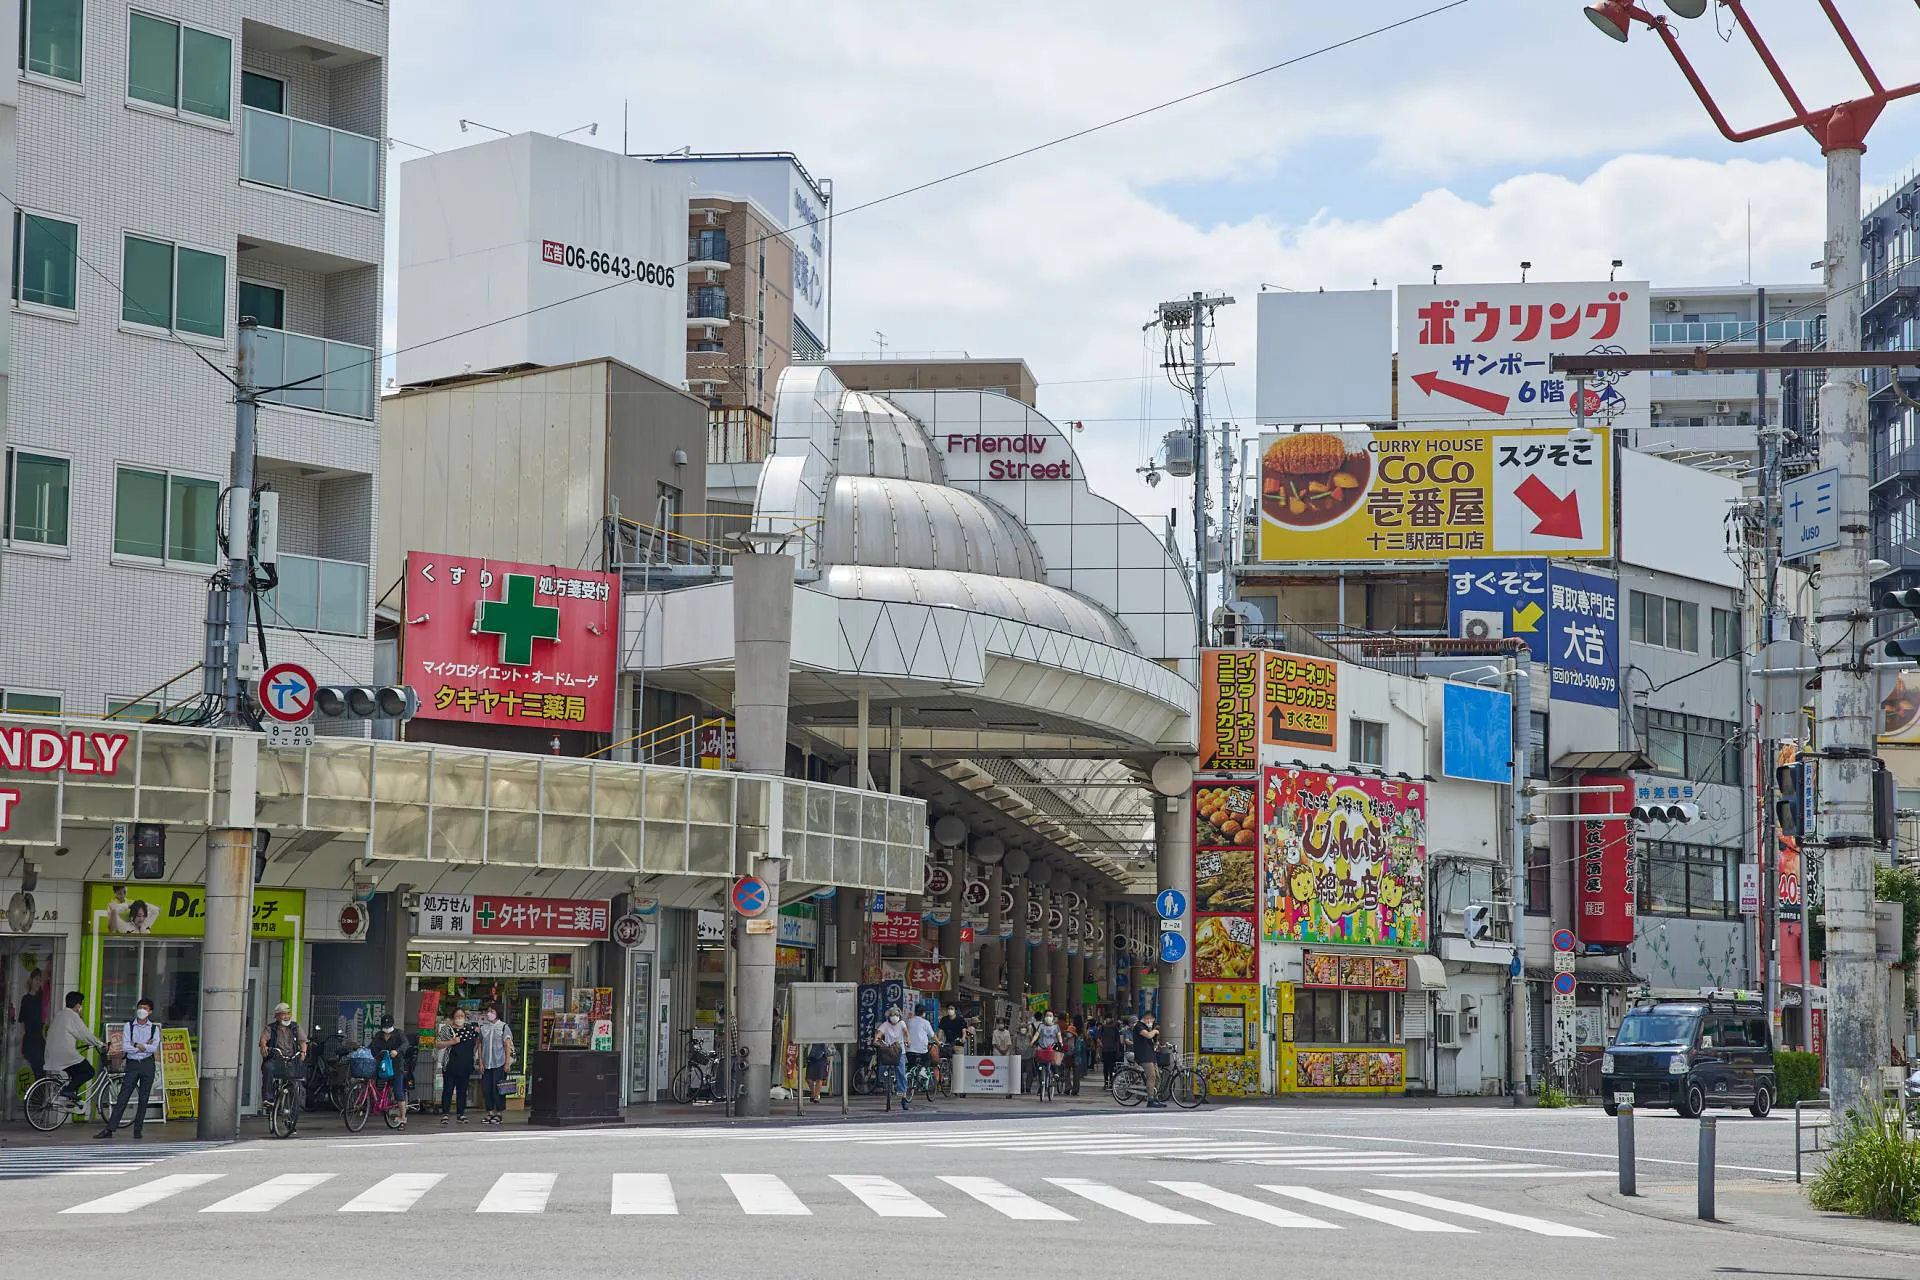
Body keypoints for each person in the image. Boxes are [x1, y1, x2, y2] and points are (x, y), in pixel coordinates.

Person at [96, 997, 159, 1139]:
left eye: (145, 1008)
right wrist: (142, 1046)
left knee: (144, 1098)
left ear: (150, 1011)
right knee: (123, 1096)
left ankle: (138, 1130)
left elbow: (153, 1047)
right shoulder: (129, 1026)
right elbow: (126, 1047)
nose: (142, 1011)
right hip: (132, 1064)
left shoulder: (154, 1028)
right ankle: (110, 1129)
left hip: (148, 1064)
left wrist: (136, 1045)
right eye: (140, 1008)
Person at [45, 990, 103, 1101]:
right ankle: (68, 1090)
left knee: (76, 1075)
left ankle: (71, 1100)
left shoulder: (60, 1014)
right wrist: (100, 1043)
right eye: (81, 1004)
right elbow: (84, 1033)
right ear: (77, 1005)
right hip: (65, 1055)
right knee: (89, 1071)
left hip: (51, 1054)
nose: (81, 1007)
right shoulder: (72, 1016)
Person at [258, 1002, 307, 1116]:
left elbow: (303, 1041)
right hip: (276, 1059)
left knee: (293, 1087)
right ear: (277, 1016)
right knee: (268, 1068)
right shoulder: (270, 1028)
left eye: (288, 1014)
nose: (286, 1016)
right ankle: (268, 1099)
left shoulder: (295, 1027)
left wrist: (303, 1052)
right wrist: (264, 1046)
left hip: (290, 1060)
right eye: (283, 1014)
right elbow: (263, 1040)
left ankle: (292, 1119)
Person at [475, 1002, 515, 1126]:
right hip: (487, 1063)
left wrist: (507, 1062)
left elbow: (507, 1044)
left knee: (498, 1089)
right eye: (488, 1011)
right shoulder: (484, 1028)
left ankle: (499, 1113)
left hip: (499, 1062)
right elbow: (480, 1044)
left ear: (498, 1013)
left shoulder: (503, 1027)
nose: (489, 1013)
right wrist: (480, 1061)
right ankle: (490, 1113)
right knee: (487, 1089)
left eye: (492, 1011)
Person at [440, 1006, 478, 1123]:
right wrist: (452, 1041)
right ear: (453, 1018)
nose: (460, 1019)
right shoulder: (447, 1029)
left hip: (465, 1064)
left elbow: (477, 1042)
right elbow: (438, 1044)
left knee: (462, 1090)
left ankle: (461, 1113)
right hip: (451, 1064)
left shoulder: (470, 1029)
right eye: (457, 1016)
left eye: (462, 1016)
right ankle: (445, 1113)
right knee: (448, 1089)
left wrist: (475, 1054)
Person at [371, 1014, 409, 1129]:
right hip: (383, 1066)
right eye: (385, 1026)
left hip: (396, 1067)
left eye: (388, 1026)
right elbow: (372, 1047)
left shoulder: (398, 1034)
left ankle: (402, 1119)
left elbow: (405, 1044)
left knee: (398, 1093)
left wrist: (397, 1051)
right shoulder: (378, 1035)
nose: (386, 1028)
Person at [873, 1006, 909, 1111]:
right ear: (889, 1016)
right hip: (888, 1050)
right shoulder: (885, 1025)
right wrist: (876, 1040)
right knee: (882, 1066)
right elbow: (879, 1034)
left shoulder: (902, 1024)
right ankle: (882, 1081)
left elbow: (906, 1032)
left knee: (901, 1073)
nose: (894, 1017)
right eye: (892, 1015)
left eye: (896, 1015)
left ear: (899, 1016)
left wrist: (908, 1039)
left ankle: (903, 1097)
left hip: (899, 1051)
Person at [16, 968, 48, 1079]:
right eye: (36, 979)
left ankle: (38, 1095)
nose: (38, 983)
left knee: (41, 1072)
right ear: (31, 980)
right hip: (29, 1040)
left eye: (40, 980)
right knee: (32, 1072)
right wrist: (20, 1047)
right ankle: (34, 1095)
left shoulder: (42, 998)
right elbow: (22, 1024)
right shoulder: (26, 999)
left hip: (40, 1040)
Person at [904, 1003, 936, 1101]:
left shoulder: (908, 1021)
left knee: (911, 1065)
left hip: (909, 1049)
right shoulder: (925, 1022)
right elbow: (932, 1035)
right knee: (928, 1059)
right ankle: (923, 1070)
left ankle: (910, 1081)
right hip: (921, 1049)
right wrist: (939, 1042)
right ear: (923, 1012)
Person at [1132, 1013, 1164, 1107]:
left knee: (1158, 1077)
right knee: (1152, 1077)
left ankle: (1155, 1097)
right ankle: (1150, 1099)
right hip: (1144, 1056)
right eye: (1152, 1020)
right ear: (1148, 1018)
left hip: (1150, 1056)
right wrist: (1154, 1031)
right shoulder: (1139, 1026)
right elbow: (1148, 1036)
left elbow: (1151, 1040)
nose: (1151, 1023)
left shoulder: (1146, 1027)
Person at [1030, 1010, 1063, 1097]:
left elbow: (1059, 1035)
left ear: (1053, 1017)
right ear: (1044, 1017)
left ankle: (1055, 1074)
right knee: (1040, 1067)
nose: (1048, 1017)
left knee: (1053, 1062)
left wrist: (1060, 1043)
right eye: (1047, 1015)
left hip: (1052, 1047)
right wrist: (1032, 1041)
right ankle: (1041, 1086)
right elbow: (1037, 1034)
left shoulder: (1056, 1026)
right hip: (1042, 1048)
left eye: (1050, 1015)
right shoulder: (1041, 1026)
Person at [1100, 1015, 1123, 1084]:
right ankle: (1107, 1081)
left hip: (1112, 1050)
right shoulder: (1103, 1027)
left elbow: (1117, 1040)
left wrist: (1118, 1050)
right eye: (1107, 1018)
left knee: (1110, 1067)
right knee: (1106, 1066)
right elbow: (1099, 1037)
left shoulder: (1114, 1027)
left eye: (1108, 1018)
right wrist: (1100, 1043)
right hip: (1106, 1050)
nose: (1107, 1019)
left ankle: (1110, 1081)